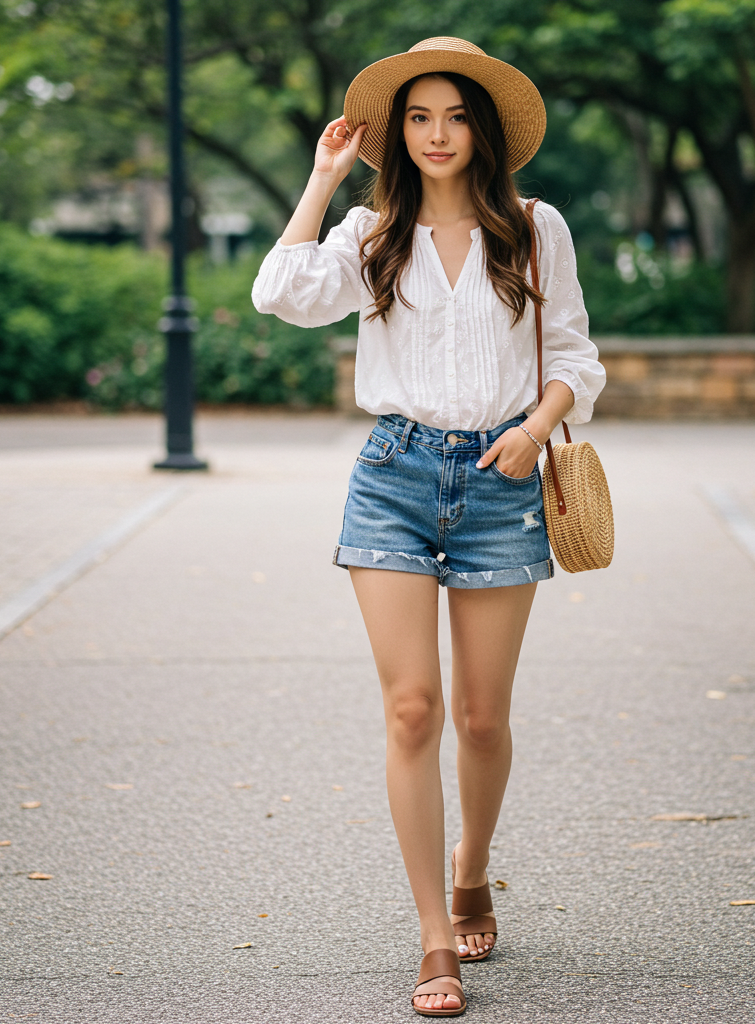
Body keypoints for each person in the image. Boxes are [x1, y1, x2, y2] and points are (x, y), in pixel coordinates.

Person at [252, 36, 605, 1017]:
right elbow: (279, 295)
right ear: (394, 134)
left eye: (454, 116)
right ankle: (432, 937)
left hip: (501, 475)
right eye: (418, 117)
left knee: (482, 716)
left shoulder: (536, 228)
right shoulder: (371, 233)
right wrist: (323, 179)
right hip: (394, 477)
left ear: (482, 130)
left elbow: (578, 353)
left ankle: (473, 865)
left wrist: (537, 430)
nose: (437, 134)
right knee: (413, 708)